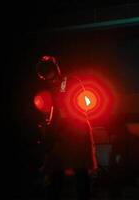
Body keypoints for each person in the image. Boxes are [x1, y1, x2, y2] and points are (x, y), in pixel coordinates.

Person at [34, 55, 97, 200]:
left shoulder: (70, 81)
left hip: (76, 132)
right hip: (62, 134)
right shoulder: (52, 88)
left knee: (80, 172)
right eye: (45, 76)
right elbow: (55, 113)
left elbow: (77, 107)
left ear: (56, 70)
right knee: (57, 174)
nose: (48, 79)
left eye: (49, 73)